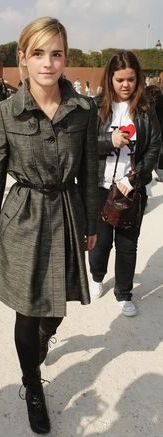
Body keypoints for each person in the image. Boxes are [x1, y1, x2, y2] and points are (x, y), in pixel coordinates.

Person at [0, 16, 98, 435]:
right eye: (38, 53)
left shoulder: (83, 110)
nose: (48, 62)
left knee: (57, 306)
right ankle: (32, 385)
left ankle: (45, 336)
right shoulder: (6, 113)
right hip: (22, 219)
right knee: (27, 312)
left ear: (66, 57)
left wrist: (91, 221)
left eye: (57, 53)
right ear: (22, 58)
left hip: (66, 211)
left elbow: (90, 172)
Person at [88, 50, 161, 317]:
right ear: (110, 78)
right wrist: (110, 141)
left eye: (130, 79)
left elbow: (154, 145)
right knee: (100, 244)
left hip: (132, 191)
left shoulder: (144, 108)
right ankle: (97, 276)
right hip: (100, 187)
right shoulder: (95, 107)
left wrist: (137, 178)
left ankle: (124, 292)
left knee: (128, 244)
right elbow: (83, 146)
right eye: (120, 79)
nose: (125, 85)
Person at [145, 85, 163, 182]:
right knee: (158, 155)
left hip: (152, 135)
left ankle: (152, 173)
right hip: (160, 135)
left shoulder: (149, 105)